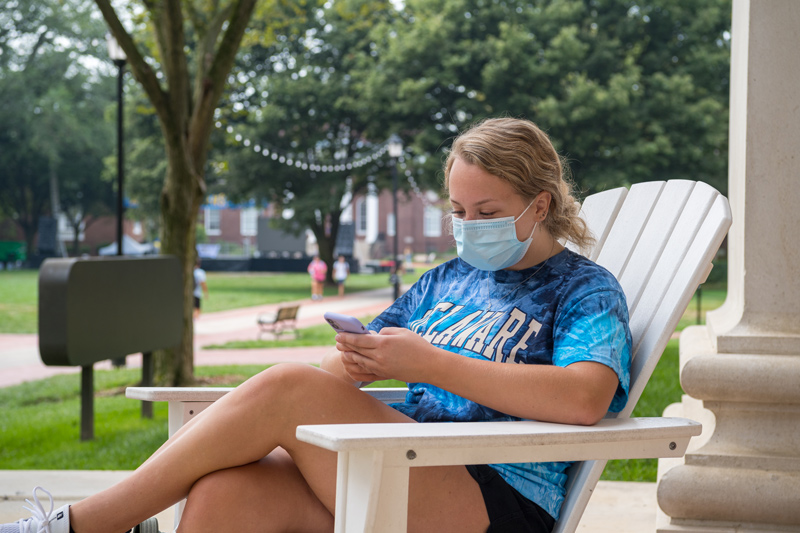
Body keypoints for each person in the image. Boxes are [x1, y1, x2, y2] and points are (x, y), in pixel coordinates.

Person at [3, 118, 631, 533]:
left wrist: (428, 364)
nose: (468, 225)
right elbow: (342, 374)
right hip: (400, 460)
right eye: (460, 211)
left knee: (288, 387)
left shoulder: (583, 289)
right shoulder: (446, 281)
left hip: (494, 494)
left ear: (540, 204)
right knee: (228, 494)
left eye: (487, 211)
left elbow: (584, 398)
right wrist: (362, 359)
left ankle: (85, 524)